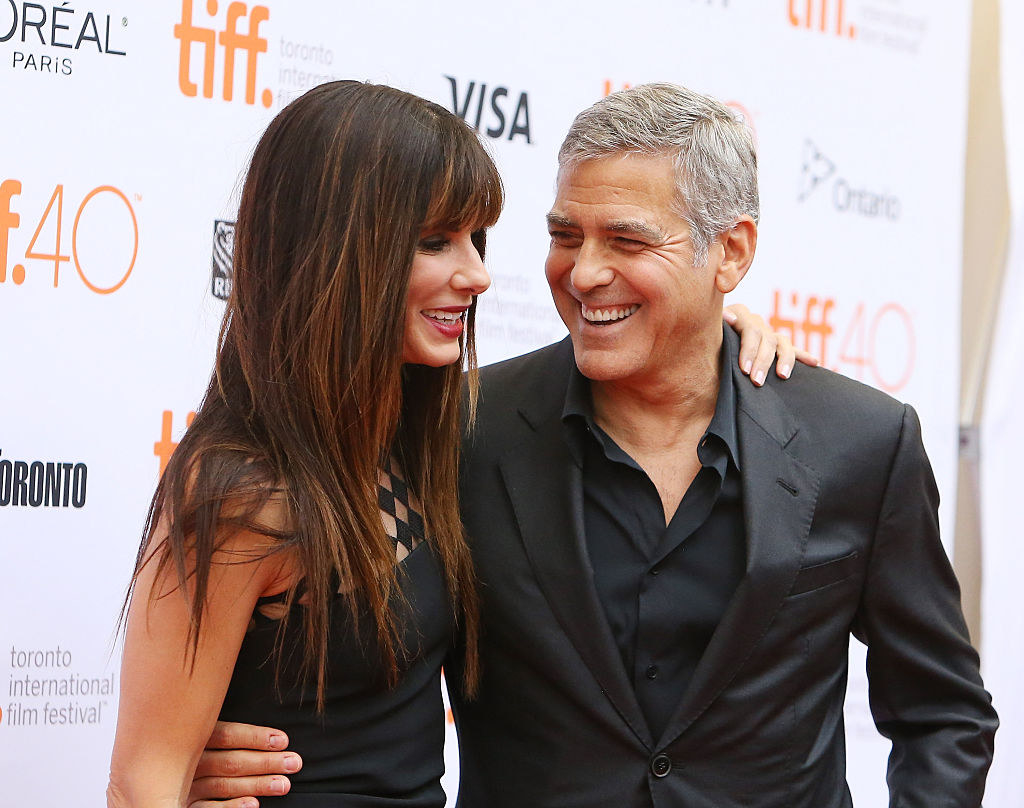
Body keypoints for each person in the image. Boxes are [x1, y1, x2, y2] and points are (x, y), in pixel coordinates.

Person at [194, 83, 997, 807]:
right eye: (565, 235)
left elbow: (943, 713)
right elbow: (339, 633)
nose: (583, 273)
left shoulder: (857, 440)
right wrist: (213, 758)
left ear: (733, 252)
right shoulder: (453, 429)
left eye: (627, 241)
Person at [107, 80, 800, 808]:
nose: (476, 274)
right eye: (435, 242)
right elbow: (142, 779)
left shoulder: (425, 442)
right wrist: (179, 779)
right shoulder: (242, 489)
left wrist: (716, 332)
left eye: (477, 238)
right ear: (338, 251)